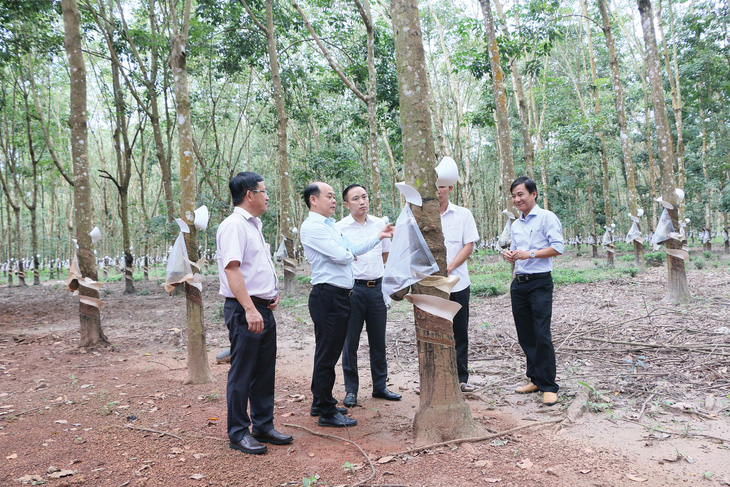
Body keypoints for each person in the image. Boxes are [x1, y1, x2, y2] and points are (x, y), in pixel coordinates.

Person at [300, 182, 394, 427]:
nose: (332, 201)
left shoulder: (329, 226)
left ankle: (321, 402)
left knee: (328, 353)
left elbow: (352, 249)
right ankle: (326, 412)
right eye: (329, 197)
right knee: (328, 354)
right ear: (313, 200)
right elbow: (343, 255)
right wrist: (348, 253)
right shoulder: (312, 227)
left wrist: (378, 237)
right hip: (327, 295)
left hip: (340, 295)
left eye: (333, 197)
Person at [216, 172, 292, 454]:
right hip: (245, 310)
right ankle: (238, 432)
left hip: (261, 308)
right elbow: (232, 269)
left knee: (264, 371)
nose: (267, 195)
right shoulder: (234, 225)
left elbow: (254, 267)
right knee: (243, 372)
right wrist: (249, 307)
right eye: (264, 190)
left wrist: (268, 295)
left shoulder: (254, 225)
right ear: (250, 194)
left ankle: (263, 424)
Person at [336, 184, 401, 408]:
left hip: (376, 289)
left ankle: (380, 386)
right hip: (352, 290)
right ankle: (351, 390)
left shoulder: (380, 225)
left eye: (364, 196)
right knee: (350, 342)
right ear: (346, 204)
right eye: (355, 198)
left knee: (378, 341)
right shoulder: (340, 227)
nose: (362, 201)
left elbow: (386, 253)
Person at [503, 176, 564, 406]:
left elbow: (558, 248)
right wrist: (511, 255)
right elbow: (516, 251)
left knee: (541, 333)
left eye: (521, 194)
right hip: (519, 283)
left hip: (539, 283)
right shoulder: (516, 224)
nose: (517, 199)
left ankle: (549, 385)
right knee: (525, 334)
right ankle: (535, 379)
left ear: (533, 194)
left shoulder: (547, 218)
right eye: (514, 196)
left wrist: (529, 254)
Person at [437, 183, 479, 392]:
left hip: (458, 282)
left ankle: (461, 378)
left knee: (459, 331)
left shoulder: (463, 214)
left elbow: (468, 245)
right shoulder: (420, 217)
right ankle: (434, 378)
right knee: (434, 332)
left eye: (442, 186)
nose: (438, 190)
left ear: (450, 188)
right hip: (431, 285)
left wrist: (450, 267)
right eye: (434, 186)